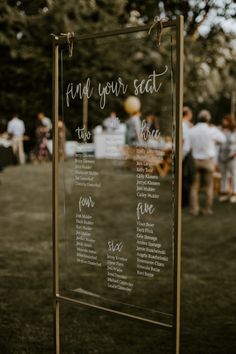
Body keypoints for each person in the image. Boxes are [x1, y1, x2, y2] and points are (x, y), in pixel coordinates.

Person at [189, 110, 226, 215]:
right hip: (208, 161)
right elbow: (223, 139)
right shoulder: (212, 130)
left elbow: (188, 144)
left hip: (195, 160)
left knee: (194, 186)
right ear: (208, 119)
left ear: (198, 118)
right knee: (209, 186)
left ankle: (194, 209)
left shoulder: (193, 130)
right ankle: (207, 209)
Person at [218, 115, 236, 203]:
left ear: (229, 121)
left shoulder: (234, 131)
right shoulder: (221, 130)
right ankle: (224, 193)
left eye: (225, 121)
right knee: (223, 176)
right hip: (222, 156)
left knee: (233, 176)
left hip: (232, 156)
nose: (224, 122)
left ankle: (234, 193)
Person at [182, 106, 194, 207]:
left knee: (185, 178)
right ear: (188, 114)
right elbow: (184, 141)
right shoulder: (183, 125)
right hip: (185, 154)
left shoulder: (185, 125)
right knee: (184, 178)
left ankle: (185, 200)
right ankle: (184, 201)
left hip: (185, 153)